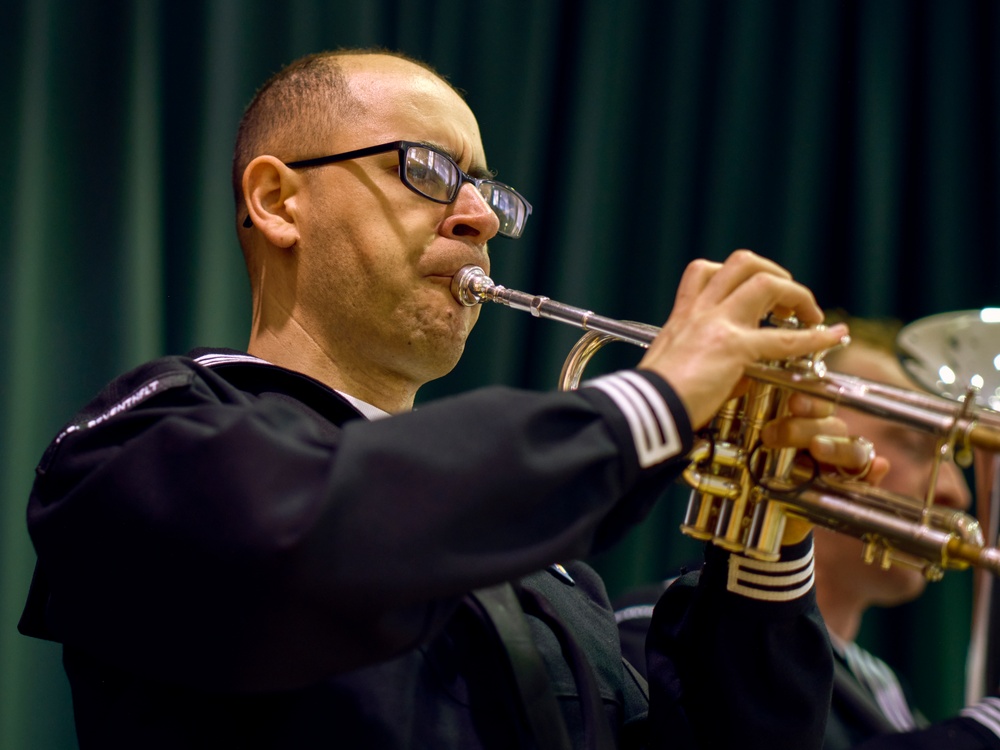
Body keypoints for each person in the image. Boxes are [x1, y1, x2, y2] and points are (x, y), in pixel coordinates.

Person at [19, 48, 870, 749]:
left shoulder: (553, 572)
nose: (482, 219)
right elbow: (315, 533)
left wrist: (766, 549)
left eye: (491, 192)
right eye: (426, 170)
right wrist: (652, 405)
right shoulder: (140, 448)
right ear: (278, 201)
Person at [615, 315, 1000, 749]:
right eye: (915, 441)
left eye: (952, 457)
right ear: (805, 435)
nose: (956, 492)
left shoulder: (883, 686)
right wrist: (982, 732)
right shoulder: (650, 630)